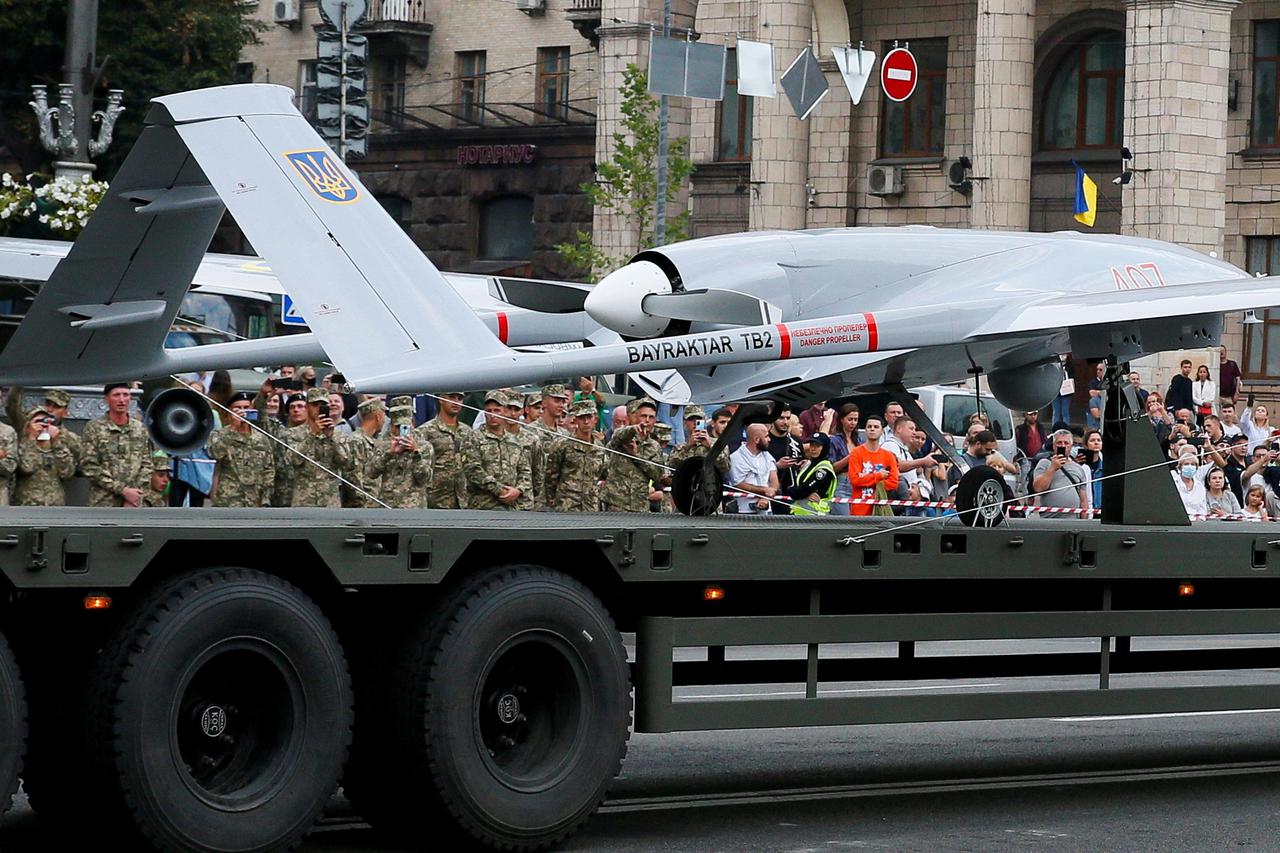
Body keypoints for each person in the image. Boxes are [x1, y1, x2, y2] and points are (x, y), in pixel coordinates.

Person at [81, 383, 151, 508]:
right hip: (104, 501)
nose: (121, 400)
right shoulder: (94, 428)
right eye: (116, 395)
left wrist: (134, 494)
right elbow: (89, 466)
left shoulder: (139, 429)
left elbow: (147, 464)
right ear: (106, 399)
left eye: (126, 395)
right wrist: (122, 490)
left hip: (134, 501)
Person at [462, 390, 532, 510]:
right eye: (489, 411)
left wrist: (518, 490)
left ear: (505, 412)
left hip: (511, 506)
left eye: (497, 411)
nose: (493, 415)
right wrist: (499, 490)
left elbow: (525, 471)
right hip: (483, 505)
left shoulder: (513, 440)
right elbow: (473, 470)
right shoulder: (474, 437)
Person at [207, 391, 276, 508]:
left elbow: (269, 470)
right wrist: (233, 428)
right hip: (228, 500)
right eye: (238, 408)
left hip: (254, 500)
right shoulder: (219, 434)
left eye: (246, 407)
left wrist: (266, 499)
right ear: (229, 411)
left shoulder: (261, 438)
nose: (242, 411)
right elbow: (214, 453)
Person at [288, 387, 353, 508]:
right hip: (304, 499)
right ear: (307, 407)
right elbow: (293, 461)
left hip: (330, 500)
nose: (318, 408)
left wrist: (331, 438)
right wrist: (312, 435)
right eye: (314, 405)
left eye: (322, 405)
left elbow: (347, 463)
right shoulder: (294, 433)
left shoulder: (338, 435)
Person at [369, 397, 433, 509]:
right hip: (388, 506)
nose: (401, 431)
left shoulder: (424, 446)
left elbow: (425, 479)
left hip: (415, 507)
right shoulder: (383, 444)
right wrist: (388, 454)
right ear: (392, 426)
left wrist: (416, 453)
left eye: (405, 427)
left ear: (413, 424)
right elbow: (371, 473)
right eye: (398, 427)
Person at [544, 400, 607, 512]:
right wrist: (551, 497)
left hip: (590, 505)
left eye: (589, 417)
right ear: (576, 419)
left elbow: (604, 473)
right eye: (582, 418)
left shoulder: (600, 448)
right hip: (567, 503)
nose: (586, 421)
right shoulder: (563, 444)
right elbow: (551, 474)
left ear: (595, 420)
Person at [417, 391, 470, 509]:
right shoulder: (425, 431)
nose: (456, 402)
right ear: (441, 399)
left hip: (462, 500)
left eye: (459, 398)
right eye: (452, 397)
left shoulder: (467, 431)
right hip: (435, 500)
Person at [14, 407, 75, 506]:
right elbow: (26, 468)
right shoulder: (22, 445)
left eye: (46, 421)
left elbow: (67, 472)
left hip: (55, 507)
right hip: (26, 506)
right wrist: (32, 437)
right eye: (38, 421)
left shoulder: (57, 446)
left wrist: (56, 442)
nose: (42, 425)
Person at [845, 415, 899, 516]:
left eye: (876, 427)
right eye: (869, 427)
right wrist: (879, 476)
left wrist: (865, 478)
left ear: (882, 431)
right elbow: (854, 479)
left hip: (880, 509)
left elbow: (893, 482)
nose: (872, 429)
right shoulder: (856, 453)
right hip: (859, 510)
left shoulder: (888, 456)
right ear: (865, 430)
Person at [602, 425, 665, 512]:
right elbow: (617, 436)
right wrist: (633, 429)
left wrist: (636, 456)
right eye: (643, 416)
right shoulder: (621, 437)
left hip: (640, 504)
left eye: (651, 417)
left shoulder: (654, 446)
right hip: (616, 503)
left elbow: (656, 475)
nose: (646, 421)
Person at [1030, 428, 1089, 516]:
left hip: (1073, 520)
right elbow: (1038, 488)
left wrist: (1084, 521)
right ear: (1054, 445)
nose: (1062, 446)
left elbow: (1083, 499)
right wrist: (1052, 468)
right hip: (1049, 519)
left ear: (1071, 446)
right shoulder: (1044, 463)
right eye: (1059, 442)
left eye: (1066, 443)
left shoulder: (1078, 468)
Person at [343, 397, 389, 508]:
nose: (384, 420)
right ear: (378, 417)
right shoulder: (356, 440)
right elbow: (353, 476)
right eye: (383, 415)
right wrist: (363, 503)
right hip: (362, 508)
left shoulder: (372, 441)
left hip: (373, 506)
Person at [728, 423, 779, 514]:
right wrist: (764, 490)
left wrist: (766, 498)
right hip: (744, 511)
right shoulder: (736, 458)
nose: (769, 439)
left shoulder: (767, 456)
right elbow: (738, 484)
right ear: (756, 439)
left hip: (767, 510)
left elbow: (774, 480)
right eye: (766, 436)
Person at [786, 433, 837, 515]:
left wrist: (791, 490)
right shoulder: (809, 464)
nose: (813, 448)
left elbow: (805, 489)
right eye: (811, 445)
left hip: (815, 514)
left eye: (817, 446)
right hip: (800, 513)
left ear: (825, 447)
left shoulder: (824, 468)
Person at [826, 403, 861, 517]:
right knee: (844, 518)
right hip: (842, 482)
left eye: (855, 419)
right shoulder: (834, 440)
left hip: (858, 482)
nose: (853, 423)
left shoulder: (858, 440)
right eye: (850, 419)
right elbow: (832, 468)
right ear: (841, 419)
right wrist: (849, 458)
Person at [766, 404, 802, 516]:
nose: (785, 422)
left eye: (788, 418)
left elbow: (802, 460)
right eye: (781, 418)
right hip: (772, 495)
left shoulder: (795, 441)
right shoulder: (766, 441)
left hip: (794, 496)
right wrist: (777, 466)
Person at [1171, 448, 1214, 518]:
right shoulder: (1174, 482)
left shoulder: (1200, 487)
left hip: (1196, 524)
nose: (1190, 466)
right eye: (1186, 464)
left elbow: (1203, 509)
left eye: (1193, 464)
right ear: (1180, 467)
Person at [1080, 428, 1104, 511]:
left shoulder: (1106, 467)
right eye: (1092, 440)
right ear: (1086, 445)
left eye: (1099, 440)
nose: (1096, 442)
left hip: (1101, 510)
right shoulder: (1081, 467)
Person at [1052, 355, 1074, 427]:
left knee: (1065, 412)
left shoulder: (1070, 366)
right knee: (1056, 412)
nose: (1063, 357)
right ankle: (1054, 428)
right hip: (1056, 392)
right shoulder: (1054, 365)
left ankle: (1066, 428)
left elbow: (1072, 377)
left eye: (1064, 355)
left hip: (1066, 392)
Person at [1219, 345, 1243, 411]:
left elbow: (1238, 379)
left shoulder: (1232, 364)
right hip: (1217, 397)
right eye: (1220, 351)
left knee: (1231, 415)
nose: (1221, 352)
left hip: (1229, 397)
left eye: (1223, 350)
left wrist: (1237, 393)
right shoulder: (1216, 366)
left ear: (1226, 352)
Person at [1086, 362, 1105, 428]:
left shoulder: (1107, 381)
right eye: (1097, 369)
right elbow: (1092, 393)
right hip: (1095, 408)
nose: (1098, 371)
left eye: (1100, 370)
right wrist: (1102, 393)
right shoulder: (1093, 381)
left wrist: (1098, 392)